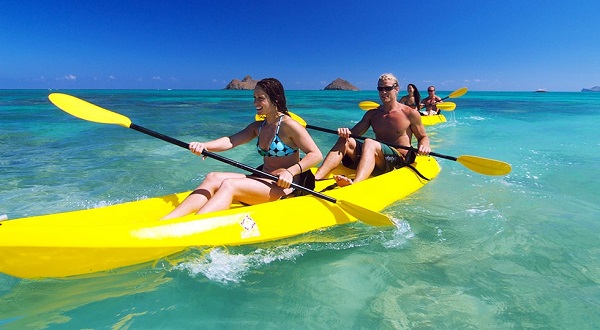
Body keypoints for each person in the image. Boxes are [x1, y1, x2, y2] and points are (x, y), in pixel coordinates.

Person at [162, 78, 323, 219]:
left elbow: (316, 155)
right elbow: (231, 141)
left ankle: (193, 226)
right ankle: (168, 221)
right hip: (262, 179)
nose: (255, 103)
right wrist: (205, 146)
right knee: (213, 177)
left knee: (230, 185)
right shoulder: (259, 127)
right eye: (254, 98)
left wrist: (290, 172)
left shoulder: (289, 125)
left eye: (260, 98)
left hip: (283, 188)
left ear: (276, 99)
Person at [313, 73, 431, 187]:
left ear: (397, 89)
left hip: (398, 159)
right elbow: (353, 134)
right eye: (380, 89)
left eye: (387, 88)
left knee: (369, 142)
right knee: (345, 140)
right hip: (377, 157)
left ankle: (355, 184)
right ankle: (316, 179)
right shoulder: (372, 114)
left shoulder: (410, 113)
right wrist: (345, 132)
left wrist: (424, 146)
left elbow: (423, 137)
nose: (383, 92)